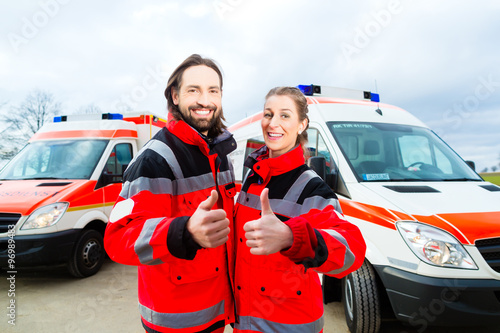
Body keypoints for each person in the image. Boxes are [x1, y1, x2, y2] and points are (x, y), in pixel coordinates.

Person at [104, 54, 237, 333]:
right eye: (194, 90)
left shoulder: (221, 156)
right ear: (175, 96)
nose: (205, 100)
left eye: (213, 90)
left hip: (217, 310)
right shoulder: (153, 159)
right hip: (176, 320)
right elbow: (118, 238)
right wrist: (184, 231)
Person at [233, 86, 366, 332]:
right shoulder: (253, 178)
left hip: (290, 325)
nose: (273, 123)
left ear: (302, 125)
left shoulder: (313, 188)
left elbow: (351, 250)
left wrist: (291, 237)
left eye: (285, 115)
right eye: (268, 114)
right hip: (246, 322)